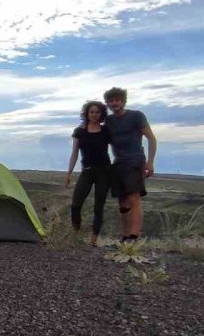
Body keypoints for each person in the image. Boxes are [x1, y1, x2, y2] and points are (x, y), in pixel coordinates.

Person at [103, 87, 157, 243]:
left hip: (135, 160)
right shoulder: (109, 121)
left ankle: (133, 238)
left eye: (117, 100)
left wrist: (150, 162)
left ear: (123, 101)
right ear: (107, 103)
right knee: (123, 201)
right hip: (118, 162)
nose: (115, 103)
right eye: (111, 100)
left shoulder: (136, 116)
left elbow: (151, 138)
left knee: (134, 198)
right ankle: (125, 237)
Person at [65, 101, 111, 246]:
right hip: (87, 171)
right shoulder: (80, 131)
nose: (94, 115)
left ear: (101, 114)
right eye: (92, 112)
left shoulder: (106, 130)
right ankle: (76, 233)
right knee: (75, 205)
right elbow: (74, 154)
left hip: (104, 171)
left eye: (97, 112)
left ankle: (93, 239)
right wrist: (69, 173)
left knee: (98, 206)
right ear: (87, 113)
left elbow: (119, 146)